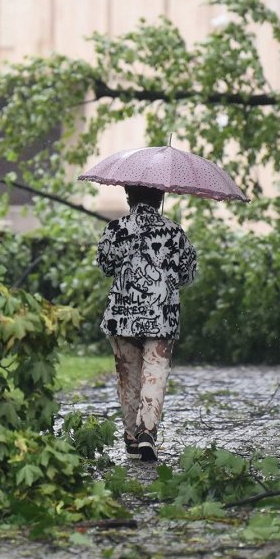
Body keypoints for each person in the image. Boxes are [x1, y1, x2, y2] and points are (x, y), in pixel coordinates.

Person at [96, 185, 197, 461]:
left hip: (122, 315)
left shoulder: (116, 229)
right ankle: (147, 433)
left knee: (127, 377)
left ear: (128, 197)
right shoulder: (175, 232)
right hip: (162, 315)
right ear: (161, 197)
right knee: (155, 372)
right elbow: (187, 274)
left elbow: (105, 266)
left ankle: (131, 439)